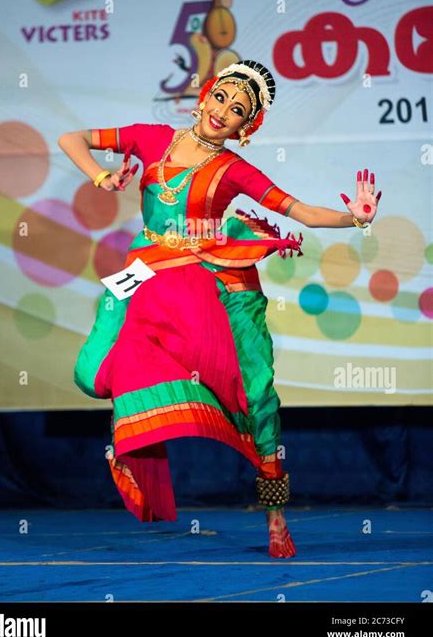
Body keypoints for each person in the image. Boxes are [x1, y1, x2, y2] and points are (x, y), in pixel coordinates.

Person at [58, 60, 381, 558]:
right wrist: (101, 177)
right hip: (146, 273)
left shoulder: (234, 169)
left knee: (255, 396)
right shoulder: (150, 137)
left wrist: (354, 219)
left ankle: (275, 515)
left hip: (215, 282)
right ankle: (147, 428)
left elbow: (297, 211)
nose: (224, 112)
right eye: (223, 98)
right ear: (205, 95)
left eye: (238, 111)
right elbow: (70, 138)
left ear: (244, 128)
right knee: (91, 373)